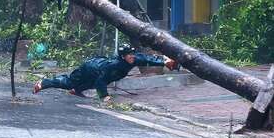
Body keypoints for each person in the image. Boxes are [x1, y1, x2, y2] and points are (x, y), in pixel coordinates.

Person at [33, 44, 177, 102]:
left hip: (98, 70)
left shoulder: (134, 59)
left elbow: (147, 59)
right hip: (90, 67)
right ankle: (44, 83)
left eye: (132, 54)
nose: (132, 57)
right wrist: (105, 97)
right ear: (123, 57)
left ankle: (76, 90)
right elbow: (100, 82)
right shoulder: (114, 65)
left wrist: (165, 62)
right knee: (69, 82)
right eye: (129, 55)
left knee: (90, 84)